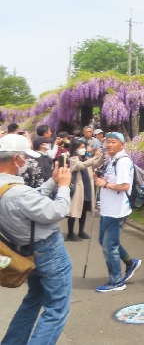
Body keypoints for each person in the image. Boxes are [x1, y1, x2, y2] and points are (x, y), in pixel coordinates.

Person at [0, 133, 73, 345]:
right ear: (16, 159)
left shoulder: (10, 188)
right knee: (56, 308)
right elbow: (57, 211)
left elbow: (30, 202)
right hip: (48, 251)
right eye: (25, 157)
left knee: (33, 300)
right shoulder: (19, 193)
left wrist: (52, 181)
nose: (27, 162)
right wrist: (64, 186)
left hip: (24, 250)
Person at [92, 132, 142, 292]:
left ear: (122, 145)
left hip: (117, 211)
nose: (109, 145)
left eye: (113, 142)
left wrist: (105, 184)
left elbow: (124, 186)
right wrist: (100, 179)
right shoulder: (112, 159)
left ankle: (116, 281)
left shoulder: (123, 161)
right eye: (107, 142)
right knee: (104, 241)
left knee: (110, 246)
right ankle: (130, 262)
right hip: (108, 209)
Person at [65, 138, 103, 242]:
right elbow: (81, 165)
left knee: (84, 210)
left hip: (87, 188)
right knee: (74, 211)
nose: (83, 149)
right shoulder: (72, 159)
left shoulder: (85, 158)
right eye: (80, 147)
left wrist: (102, 157)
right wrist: (94, 157)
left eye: (83, 147)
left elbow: (95, 163)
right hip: (78, 188)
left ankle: (81, 231)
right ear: (75, 148)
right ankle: (70, 234)